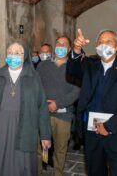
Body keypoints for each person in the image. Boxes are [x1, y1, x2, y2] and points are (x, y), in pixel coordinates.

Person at [67, 29, 117, 176]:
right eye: (100, 42)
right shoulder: (90, 65)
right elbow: (72, 71)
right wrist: (77, 49)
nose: (103, 45)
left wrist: (109, 126)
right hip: (92, 133)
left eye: (108, 41)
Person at [0, 42, 51, 176]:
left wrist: (45, 135)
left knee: (22, 166)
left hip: (25, 128)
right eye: (10, 52)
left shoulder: (33, 77)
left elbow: (42, 108)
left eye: (18, 52)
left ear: (25, 56)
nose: (13, 55)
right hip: (0, 128)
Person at [37, 36, 80, 176]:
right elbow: (36, 87)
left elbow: (76, 91)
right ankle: (38, 172)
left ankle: (58, 173)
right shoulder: (43, 65)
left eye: (64, 44)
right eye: (58, 43)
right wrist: (44, 102)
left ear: (68, 49)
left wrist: (57, 103)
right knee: (39, 148)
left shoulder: (74, 67)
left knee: (60, 149)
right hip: (43, 114)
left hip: (64, 115)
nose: (60, 46)